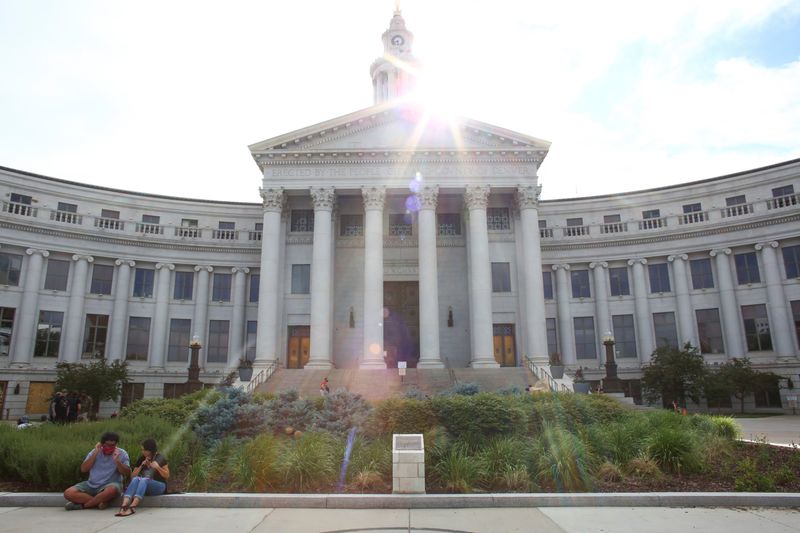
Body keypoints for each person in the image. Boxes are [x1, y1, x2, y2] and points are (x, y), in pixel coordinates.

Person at [63, 431, 131, 511]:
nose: (110, 447)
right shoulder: (95, 452)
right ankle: (100, 502)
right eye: (108, 445)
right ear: (102, 444)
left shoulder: (122, 453)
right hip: (92, 484)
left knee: (112, 490)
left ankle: (84, 506)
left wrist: (117, 461)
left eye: (113, 445)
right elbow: (83, 469)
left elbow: (127, 473)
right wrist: (95, 454)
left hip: (110, 484)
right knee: (68, 493)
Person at [116, 439, 169, 517]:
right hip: (145, 486)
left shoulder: (160, 458)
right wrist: (141, 466)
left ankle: (133, 506)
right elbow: (132, 477)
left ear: (150, 450)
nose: (142, 452)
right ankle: (124, 505)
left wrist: (157, 467)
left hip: (160, 486)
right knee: (136, 479)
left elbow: (167, 475)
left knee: (144, 479)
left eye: (144, 450)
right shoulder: (142, 459)